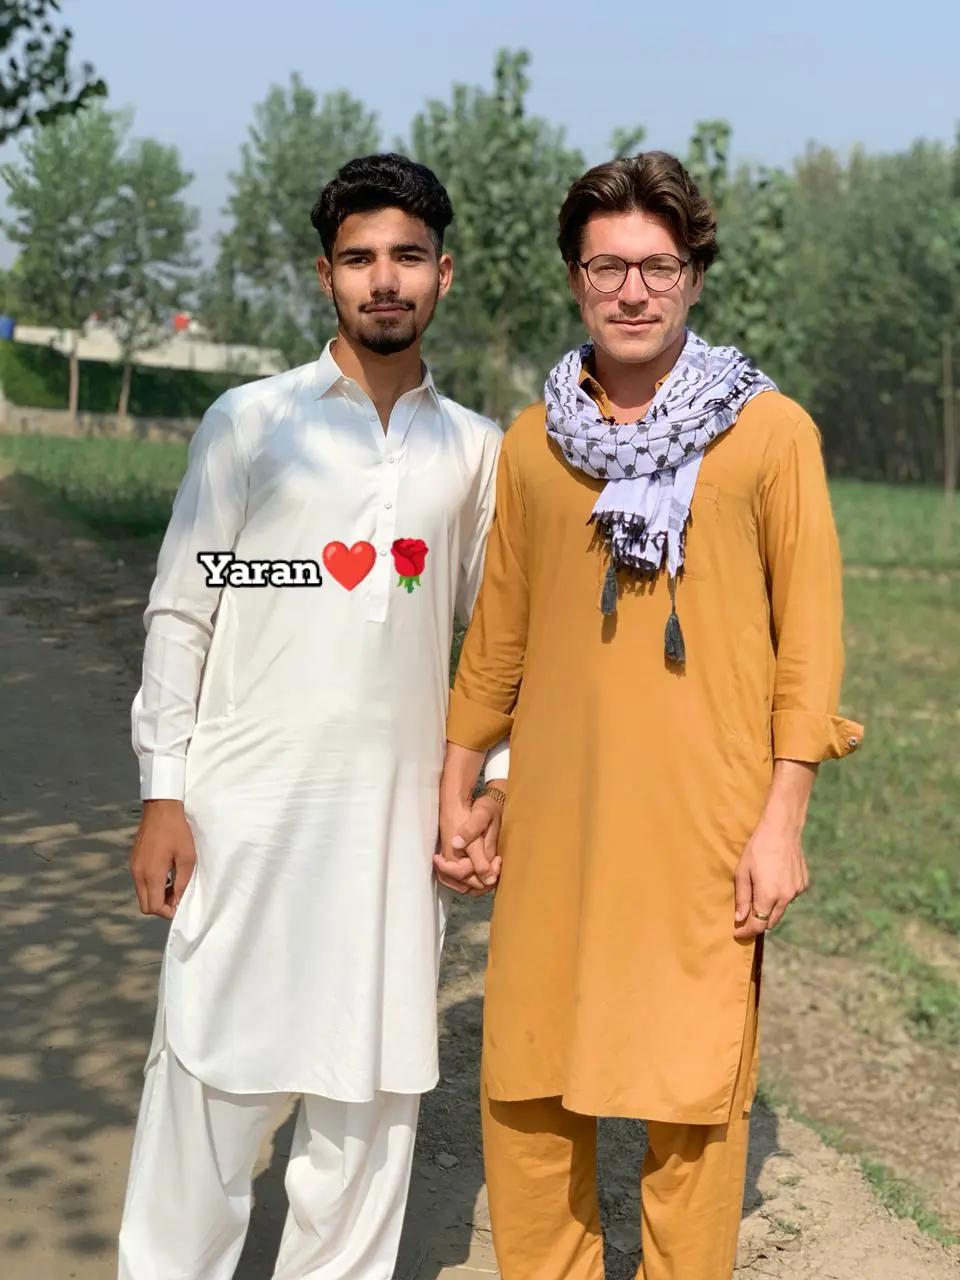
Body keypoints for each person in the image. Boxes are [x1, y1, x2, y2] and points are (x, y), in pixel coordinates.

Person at [436, 151, 865, 1280]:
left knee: (691, 1103)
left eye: (658, 267)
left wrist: (782, 823)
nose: (634, 292)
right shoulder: (534, 442)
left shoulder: (770, 436)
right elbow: (499, 636)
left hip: (705, 828)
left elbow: (810, 649)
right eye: (608, 267)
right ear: (576, 280)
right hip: (556, 825)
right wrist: (460, 786)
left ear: (695, 277)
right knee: (527, 1084)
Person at [118, 152, 509, 1280]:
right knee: (209, 1076)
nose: (384, 279)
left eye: (407, 257)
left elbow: (497, 648)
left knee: (369, 1102)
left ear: (443, 274)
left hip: (390, 831)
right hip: (244, 815)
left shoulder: (475, 451)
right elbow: (182, 612)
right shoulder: (252, 422)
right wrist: (163, 794)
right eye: (358, 258)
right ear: (326, 276)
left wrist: (490, 787)